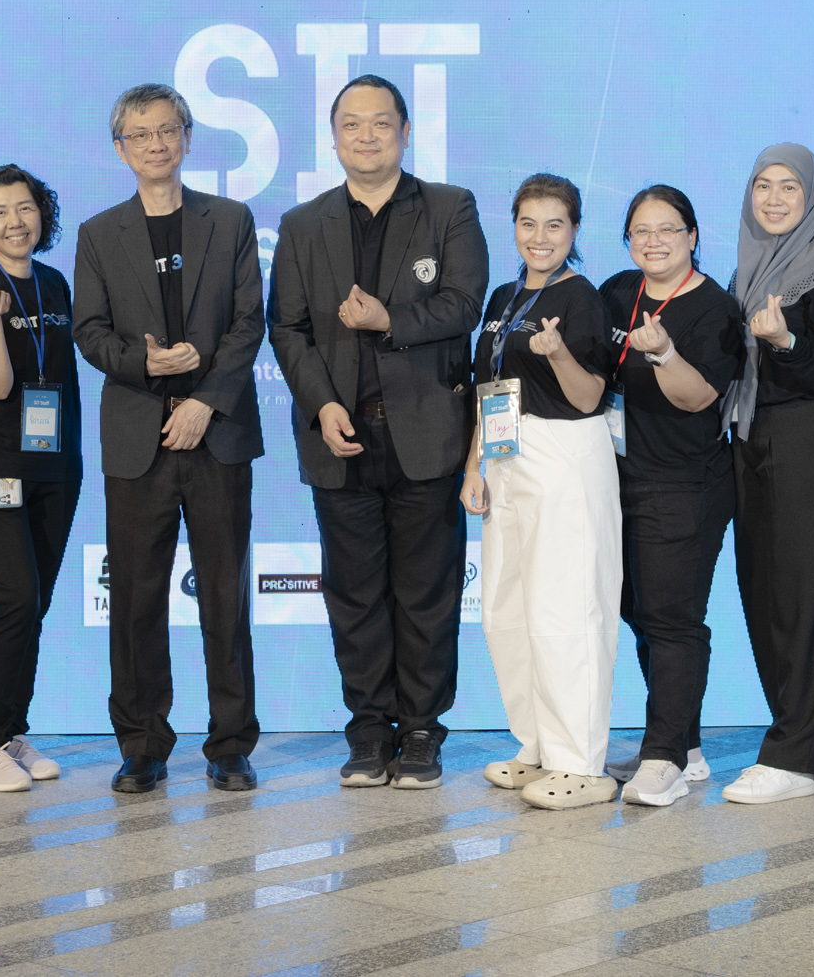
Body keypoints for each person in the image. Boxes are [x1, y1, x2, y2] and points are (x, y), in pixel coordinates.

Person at [268, 74, 488, 791]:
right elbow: (287, 327)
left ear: (405, 131)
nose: (367, 136)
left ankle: (421, 731)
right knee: (354, 594)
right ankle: (368, 730)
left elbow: (464, 303)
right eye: (352, 124)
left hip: (426, 433)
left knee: (427, 595)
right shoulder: (302, 224)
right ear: (333, 138)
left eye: (381, 122)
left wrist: (389, 319)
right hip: (340, 436)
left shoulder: (450, 207)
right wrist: (322, 405)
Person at [73, 84, 266, 795]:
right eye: (140, 134)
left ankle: (231, 744)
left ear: (187, 136)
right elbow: (89, 330)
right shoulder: (99, 233)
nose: (155, 144)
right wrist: (143, 363)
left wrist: (206, 402)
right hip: (138, 437)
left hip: (217, 436)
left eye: (167, 130)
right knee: (135, 600)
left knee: (225, 597)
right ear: (120, 148)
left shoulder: (231, 219)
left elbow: (249, 321)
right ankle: (142, 744)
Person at [463, 173, 621, 811]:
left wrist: (556, 353)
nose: (540, 237)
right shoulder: (504, 296)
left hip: (564, 457)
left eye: (554, 224)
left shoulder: (582, 298)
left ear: (574, 230)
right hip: (506, 457)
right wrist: (474, 466)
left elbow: (589, 397)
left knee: (566, 611)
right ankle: (536, 747)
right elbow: (490, 388)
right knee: (507, 611)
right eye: (528, 223)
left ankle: (580, 763)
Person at [719, 143, 814, 807]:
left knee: (805, 597)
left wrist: (787, 343)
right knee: (764, 595)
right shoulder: (745, 270)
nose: (773, 199)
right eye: (762, 185)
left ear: (812, 197)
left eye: (789, 188)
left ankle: (792, 755)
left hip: (808, 440)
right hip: (750, 440)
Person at [598, 186, 745, 807]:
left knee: (672, 620)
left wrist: (662, 352)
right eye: (641, 231)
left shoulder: (715, 308)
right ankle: (683, 744)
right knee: (636, 610)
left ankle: (663, 758)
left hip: (685, 484)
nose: (653, 241)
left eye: (667, 229)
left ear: (692, 236)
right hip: (616, 480)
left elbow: (698, 397)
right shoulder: (615, 292)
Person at [0, 165, 83, 793]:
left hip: (56, 464)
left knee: (37, 603)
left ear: (42, 214)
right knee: (16, 597)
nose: (14, 222)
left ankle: (9, 731)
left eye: (25, 208)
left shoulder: (54, 283)